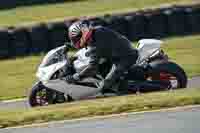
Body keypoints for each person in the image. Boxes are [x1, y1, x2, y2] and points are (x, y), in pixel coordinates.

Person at [65, 20, 138, 93]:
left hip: (125, 58)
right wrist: (69, 47)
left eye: (76, 39)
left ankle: (141, 88)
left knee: (104, 86)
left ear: (83, 34)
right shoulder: (96, 32)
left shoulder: (96, 42)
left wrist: (76, 77)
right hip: (120, 55)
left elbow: (92, 68)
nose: (75, 41)